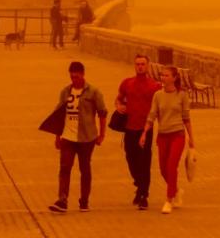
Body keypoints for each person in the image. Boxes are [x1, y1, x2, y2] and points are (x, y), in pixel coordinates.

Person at [49, 61, 108, 213]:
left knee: (85, 169)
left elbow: (102, 113)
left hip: (87, 137)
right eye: (71, 77)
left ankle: (84, 201)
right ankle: (62, 199)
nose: (74, 80)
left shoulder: (94, 92)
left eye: (76, 77)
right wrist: (57, 137)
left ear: (82, 75)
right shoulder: (65, 92)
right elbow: (59, 115)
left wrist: (102, 134)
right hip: (68, 137)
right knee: (64, 168)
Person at [140, 66, 195, 214]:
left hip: (177, 135)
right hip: (163, 135)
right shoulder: (158, 95)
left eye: (166, 75)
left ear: (174, 78)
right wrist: (144, 132)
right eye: (162, 75)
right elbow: (152, 115)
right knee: (163, 169)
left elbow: (186, 118)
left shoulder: (182, 95)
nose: (163, 78)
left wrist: (191, 138)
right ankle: (176, 190)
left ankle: (168, 200)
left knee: (171, 167)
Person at [116, 54, 161, 210]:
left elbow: (160, 107)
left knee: (144, 162)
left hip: (145, 129)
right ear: (134, 66)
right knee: (131, 159)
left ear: (147, 66)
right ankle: (139, 183)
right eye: (137, 64)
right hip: (129, 128)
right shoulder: (127, 83)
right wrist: (118, 106)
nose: (140, 66)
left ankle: (143, 195)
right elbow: (119, 98)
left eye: (143, 64)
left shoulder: (155, 86)